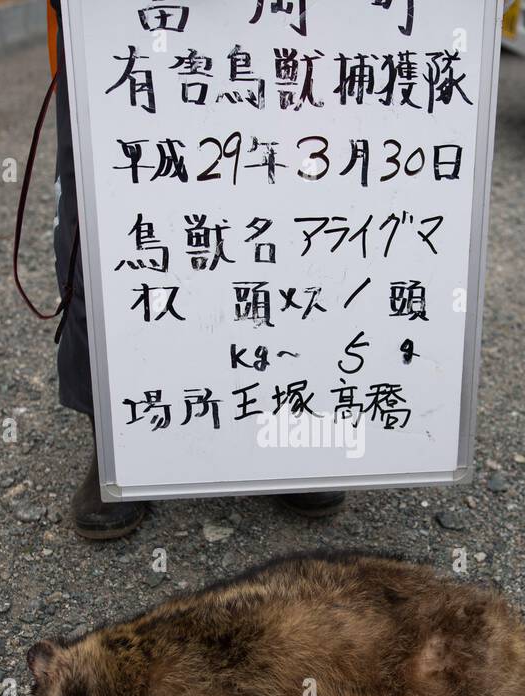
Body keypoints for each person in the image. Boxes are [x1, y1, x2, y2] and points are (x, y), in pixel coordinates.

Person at [44, 1, 347, 540]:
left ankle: (288, 417)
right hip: (118, 19)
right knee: (113, 219)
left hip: (289, 22)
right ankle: (118, 438)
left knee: (285, 207)